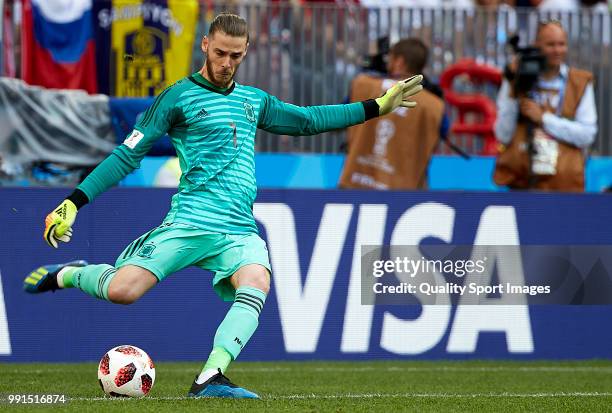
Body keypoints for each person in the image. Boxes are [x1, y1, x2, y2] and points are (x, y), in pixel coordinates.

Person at [22, 13, 423, 399]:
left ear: (245, 52)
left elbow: (308, 120)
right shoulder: (178, 97)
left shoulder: (253, 101)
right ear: (205, 45)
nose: (227, 63)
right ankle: (73, 274)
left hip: (239, 229)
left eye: (235, 55)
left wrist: (376, 107)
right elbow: (127, 155)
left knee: (258, 281)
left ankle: (210, 376)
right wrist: (74, 201)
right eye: (220, 54)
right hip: (190, 221)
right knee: (125, 291)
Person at [493, 20, 597, 191]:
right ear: (537, 46)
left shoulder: (580, 81)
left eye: (561, 44)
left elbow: (587, 134)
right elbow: (503, 135)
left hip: (565, 184)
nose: (557, 50)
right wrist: (513, 86)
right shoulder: (517, 77)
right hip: (521, 181)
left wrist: (544, 119)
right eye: (550, 45)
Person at [339, 38, 446, 190]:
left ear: (399, 62)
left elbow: (340, 118)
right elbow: (443, 132)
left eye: (390, 58)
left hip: (355, 182)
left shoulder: (363, 85)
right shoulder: (434, 104)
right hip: (403, 193)